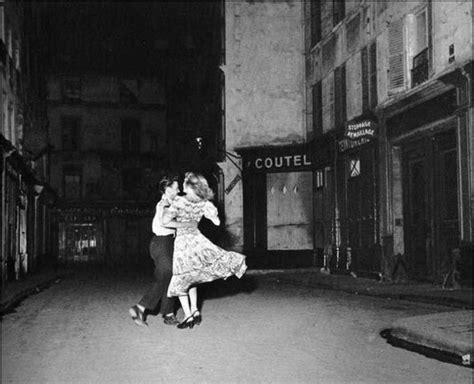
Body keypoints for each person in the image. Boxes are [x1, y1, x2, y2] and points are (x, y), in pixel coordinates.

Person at [163, 172, 247, 329]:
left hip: (183, 244)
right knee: (193, 276)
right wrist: (201, 218)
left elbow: (165, 221)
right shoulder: (204, 203)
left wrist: (184, 224)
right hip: (198, 240)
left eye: (185, 181)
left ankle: (188, 315)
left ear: (189, 186)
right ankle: (195, 310)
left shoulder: (180, 201)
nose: (182, 184)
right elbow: (216, 222)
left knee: (182, 278)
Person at [129, 174, 197, 327]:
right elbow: (165, 222)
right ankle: (140, 307)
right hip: (161, 242)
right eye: (176, 187)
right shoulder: (164, 204)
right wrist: (187, 224)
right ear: (167, 189)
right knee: (166, 275)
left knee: (171, 277)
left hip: (167, 242)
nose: (178, 189)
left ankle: (168, 313)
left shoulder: (171, 202)